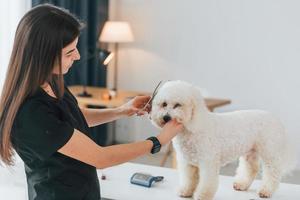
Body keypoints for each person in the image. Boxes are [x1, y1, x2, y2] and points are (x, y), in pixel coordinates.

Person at [0, 4, 183, 200]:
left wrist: (121, 110)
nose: (77, 56)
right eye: (69, 52)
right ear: (45, 55)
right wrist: (159, 141)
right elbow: (100, 157)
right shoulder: (31, 112)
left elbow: (73, 117)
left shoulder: (50, 80)